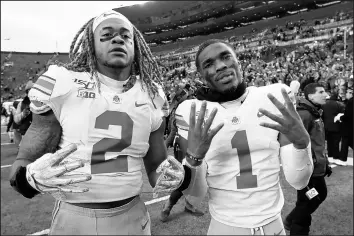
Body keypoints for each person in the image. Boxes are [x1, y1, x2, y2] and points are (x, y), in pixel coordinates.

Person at [9, 10, 222, 235]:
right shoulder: (64, 83)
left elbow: (156, 167)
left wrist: (176, 176)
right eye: (107, 35)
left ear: (135, 45)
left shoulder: (152, 94)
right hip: (74, 216)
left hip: (132, 215)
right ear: (91, 44)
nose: (118, 39)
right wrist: (29, 179)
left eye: (125, 35)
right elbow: (23, 162)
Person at [172, 39, 314, 235]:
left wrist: (302, 143)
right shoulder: (192, 111)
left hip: (274, 226)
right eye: (209, 63)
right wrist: (194, 159)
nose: (220, 66)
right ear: (201, 76)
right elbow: (195, 195)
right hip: (224, 227)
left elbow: (298, 181)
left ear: (237, 61)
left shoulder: (273, 96)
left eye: (225, 56)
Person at [284, 83, 332, 235]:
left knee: (319, 195)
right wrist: (307, 164)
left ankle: (290, 220)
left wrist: (325, 162)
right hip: (308, 170)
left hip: (318, 167)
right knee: (309, 200)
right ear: (310, 96)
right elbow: (296, 143)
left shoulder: (315, 112)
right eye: (321, 92)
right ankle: (295, 227)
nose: (326, 94)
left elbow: (317, 142)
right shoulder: (304, 114)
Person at [322, 92, 344, 164]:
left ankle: (330, 155)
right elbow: (342, 115)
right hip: (336, 126)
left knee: (329, 141)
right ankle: (336, 156)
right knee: (336, 142)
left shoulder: (324, 104)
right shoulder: (340, 105)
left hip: (326, 126)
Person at [336, 87, 353, 165]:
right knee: (349, 142)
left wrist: (340, 117)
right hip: (350, 125)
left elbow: (348, 115)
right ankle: (342, 158)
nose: (346, 94)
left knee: (345, 142)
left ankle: (342, 159)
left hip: (348, 126)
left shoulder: (350, 102)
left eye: (348, 92)